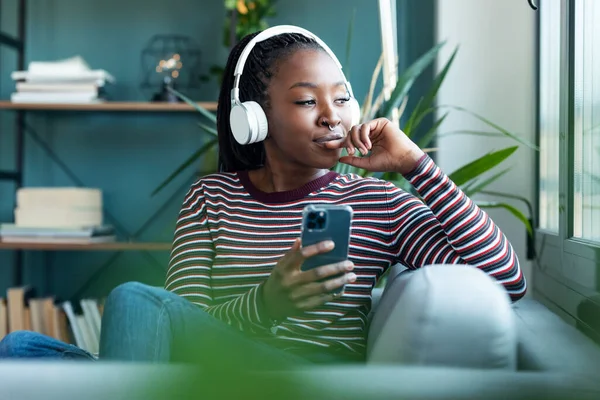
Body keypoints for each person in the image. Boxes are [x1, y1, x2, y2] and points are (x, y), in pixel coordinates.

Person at [0, 26, 526, 365]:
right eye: (305, 100)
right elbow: (181, 323)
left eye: (342, 98)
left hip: (304, 379)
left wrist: (417, 165)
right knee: (19, 347)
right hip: (205, 371)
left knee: (131, 298)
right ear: (254, 119)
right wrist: (267, 303)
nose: (333, 115)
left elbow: (508, 279)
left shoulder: (377, 202)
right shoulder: (211, 197)